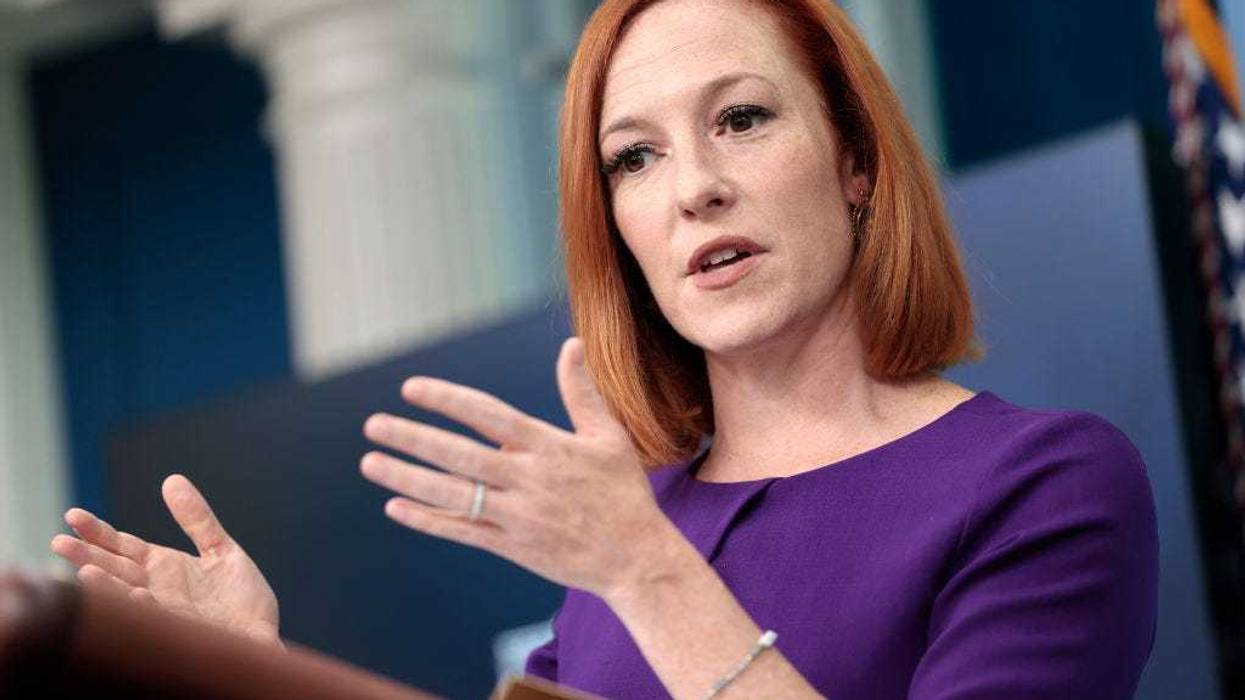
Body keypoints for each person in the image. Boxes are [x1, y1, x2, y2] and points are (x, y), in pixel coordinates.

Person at [51, 0, 1159, 697]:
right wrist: (254, 671)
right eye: (634, 158)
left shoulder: (1042, 484)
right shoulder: (635, 529)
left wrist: (643, 569)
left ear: (856, 159)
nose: (694, 188)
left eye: (742, 119)